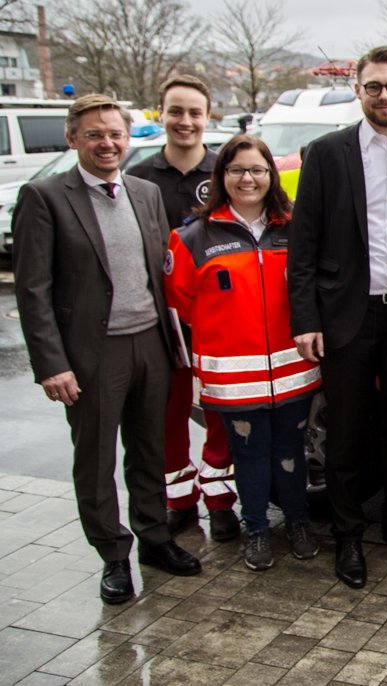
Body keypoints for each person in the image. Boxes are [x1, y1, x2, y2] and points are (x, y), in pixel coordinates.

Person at [12, 94, 202, 604]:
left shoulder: (143, 192)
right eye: (95, 134)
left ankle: (154, 539)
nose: (107, 143)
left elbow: (163, 271)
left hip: (152, 346)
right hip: (93, 354)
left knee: (150, 452)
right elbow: (32, 290)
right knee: (96, 461)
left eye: (115, 134)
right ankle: (113, 555)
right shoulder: (45, 196)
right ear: (73, 139)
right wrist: (52, 364)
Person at [287, 45, 387, 589]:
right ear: (358, 91)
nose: (385, 95)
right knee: (349, 430)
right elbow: (303, 244)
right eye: (374, 86)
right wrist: (306, 318)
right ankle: (349, 534)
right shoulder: (326, 153)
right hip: (347, 315)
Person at [166, 135, 322, 571]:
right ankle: (254, 529)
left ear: (271, 176)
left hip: (294, 371)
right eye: (236, 170)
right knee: (249, 456)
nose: (247, 178)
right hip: (233, 377)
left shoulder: (294, 228)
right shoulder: (193, 237)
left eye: (257, 170)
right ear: (222, 177)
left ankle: (297, 522)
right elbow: (180, 301)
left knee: (292, 449)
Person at [128, 74, 239, 543]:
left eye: (195, 112)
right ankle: (179, 502)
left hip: (219, 319)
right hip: (163, 323)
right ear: (161, 113)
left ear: (208, 116)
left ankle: (221, 503)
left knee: (221, 416)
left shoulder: (227, 174)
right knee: (167, 417)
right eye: (176, 111)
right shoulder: (138, 178)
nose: (186, 121)